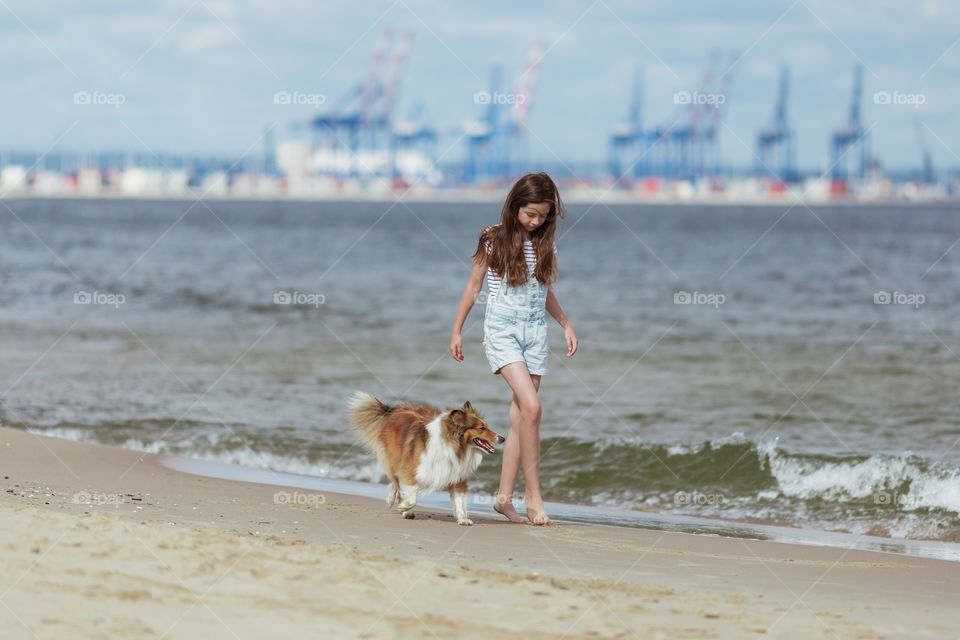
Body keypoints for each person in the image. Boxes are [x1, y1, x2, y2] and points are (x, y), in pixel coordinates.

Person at [449, 172, 578, 525]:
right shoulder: (492, 238)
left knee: (522, 416)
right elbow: (474, 284)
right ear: (515, 206)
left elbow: (544, 290)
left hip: (535, 332)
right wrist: (457, 329)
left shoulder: (545, 243)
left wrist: (565, 324)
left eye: (543, 216)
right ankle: (533, 495)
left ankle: (503, 499)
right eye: (530, 214)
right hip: (502, 330)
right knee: (533, 407)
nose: (536, 221)